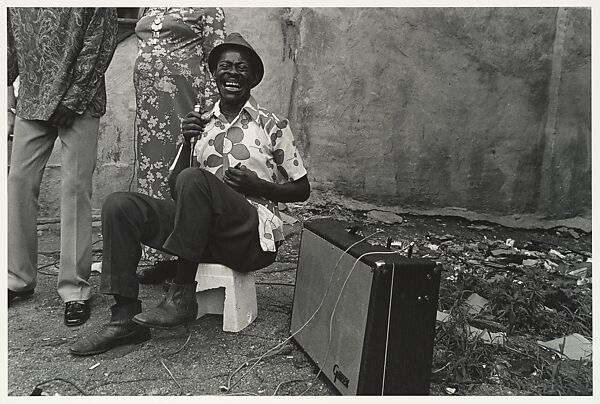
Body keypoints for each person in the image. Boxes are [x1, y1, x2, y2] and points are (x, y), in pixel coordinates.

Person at [70, 33, 310, 356]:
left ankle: (182, 294)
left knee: (196, 181)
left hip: (249, 237)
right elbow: (178, 187)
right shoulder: (201, 125)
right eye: (225, 66)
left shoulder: (272, 125)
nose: (233, 73)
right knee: (119, 206)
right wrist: (186, 143)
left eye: (242, 68)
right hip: (200, 237)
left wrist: (259, 186)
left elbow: (302, 189)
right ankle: (125, 317)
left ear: (253, 77)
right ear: (215, 75)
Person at [7, 8, 119, 327]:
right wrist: (6, 95)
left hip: (79, 101)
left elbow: (100, 42)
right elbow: (9, 42)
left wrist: (75, 97)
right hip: (32, 98)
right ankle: (18, 278)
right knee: (18, 182)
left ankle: (75, 289)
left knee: (74, 188)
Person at [133, 7, 226, 284]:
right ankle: (156, 255)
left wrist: (207, 112)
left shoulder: (209, 8)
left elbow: (217, 61)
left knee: (181, 172)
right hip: (150, 108)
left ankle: (180, 257)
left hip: (185, 105)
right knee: (152, 175)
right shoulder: (149, 5)